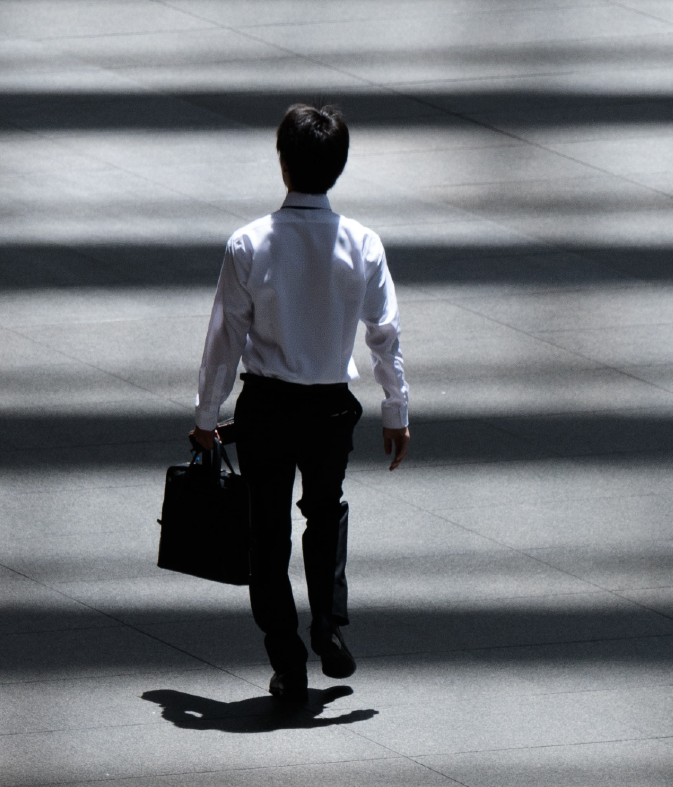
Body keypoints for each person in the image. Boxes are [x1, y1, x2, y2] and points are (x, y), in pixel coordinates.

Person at [191, 103, 410, 702]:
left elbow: (225, 338)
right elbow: (383, 334)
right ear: (337, 168)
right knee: (326, 512)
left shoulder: (249, 243)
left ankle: (286, 660)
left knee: (267, 533)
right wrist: (396, 409)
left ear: (282, 162)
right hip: (330, 409)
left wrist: (207, 418)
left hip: (265, 405)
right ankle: (330, 627)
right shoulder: (363, 244)